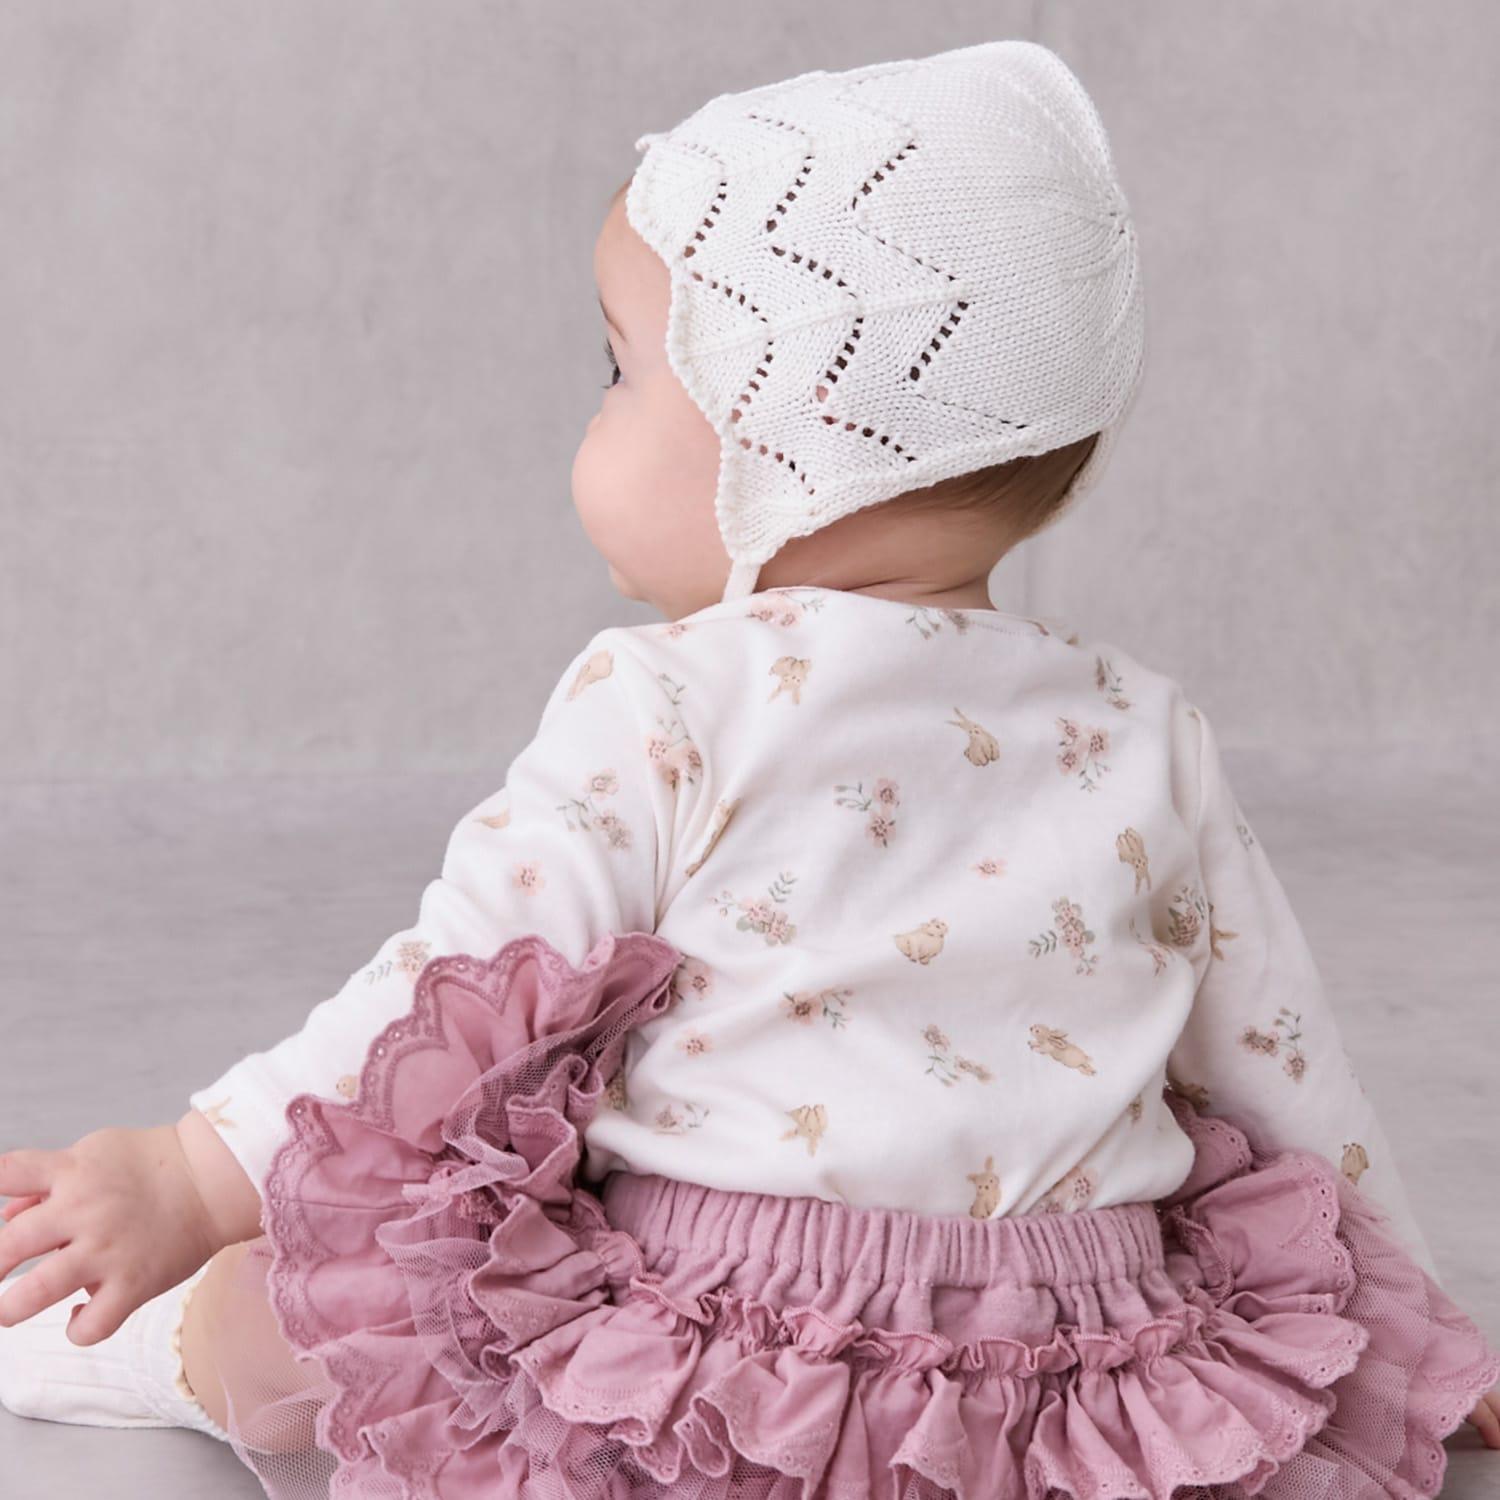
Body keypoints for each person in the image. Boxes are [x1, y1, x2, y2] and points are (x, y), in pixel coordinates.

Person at [2, 37, 1497, 1500]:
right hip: (1057, 1378)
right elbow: (1281, 1067)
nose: (595, 410)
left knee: (327, 1309)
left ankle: (166, 1355)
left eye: (618, 370)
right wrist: (1422, 1333)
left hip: (719, 1362)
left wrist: (189, 1176)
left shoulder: (669, 701)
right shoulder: (1144, 724)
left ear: (787, 440)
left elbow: (450, 992)